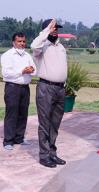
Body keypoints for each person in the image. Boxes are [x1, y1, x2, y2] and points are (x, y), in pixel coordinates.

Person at [31, 19, 67, 168]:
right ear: (46, 29)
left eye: (56, 28)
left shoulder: (61, 47)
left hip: (60, 89)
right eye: (52, 28)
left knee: (55, 123)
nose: (55, 30)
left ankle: (52, 152)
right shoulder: (41, 47)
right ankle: (44, 155)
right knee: (45, 123)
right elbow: (34, 45)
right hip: (46, 87)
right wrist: (46, 31)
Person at [1, 32, 36, 150]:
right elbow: (6, 73)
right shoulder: (7, 55)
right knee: (12, 113)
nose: (22, 44)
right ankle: (8, 140)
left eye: (23, 41)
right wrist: (22, 71)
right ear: (13, 42)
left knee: (23, 113)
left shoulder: (27, 56)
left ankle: (19, 137)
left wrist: (31, 69)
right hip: (12, 88)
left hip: (25, 88)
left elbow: (35, 70)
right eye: (19, 41)